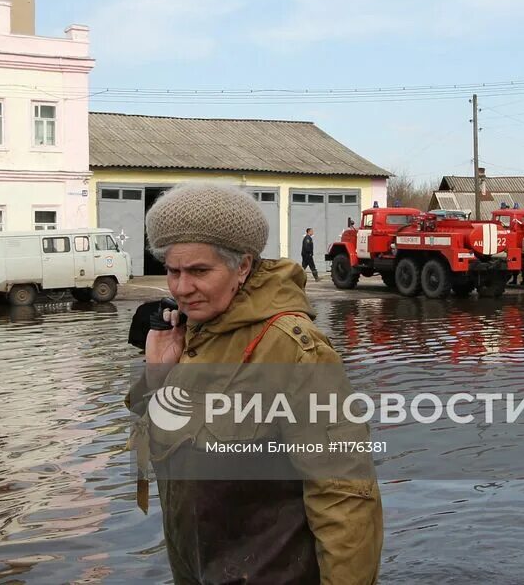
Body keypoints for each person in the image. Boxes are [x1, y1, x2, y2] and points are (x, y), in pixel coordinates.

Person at [125, 183, 383, 584]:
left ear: (243, 266)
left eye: (198, 271)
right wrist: (157, 377)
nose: (180, 288)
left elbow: (344, 498)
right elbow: (164, 449)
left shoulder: (291, 349)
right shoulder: (189, 335)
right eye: (173, 271)